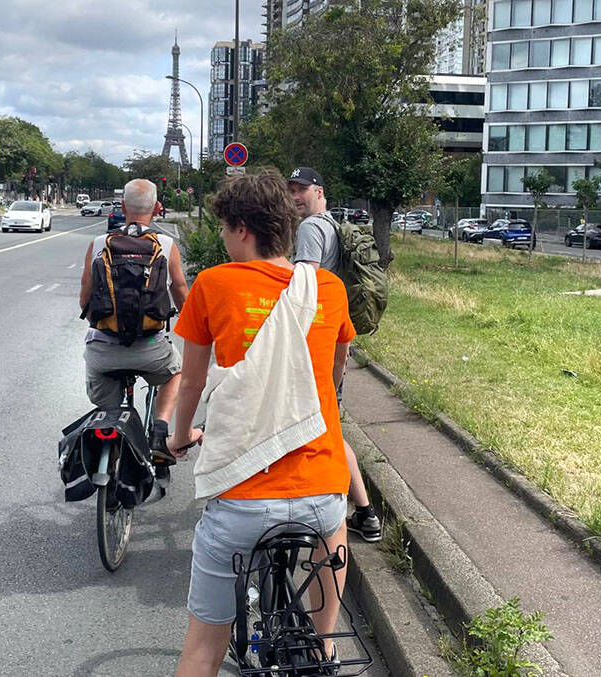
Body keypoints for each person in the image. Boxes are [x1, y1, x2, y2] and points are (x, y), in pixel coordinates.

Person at [168, 170, 354, 676]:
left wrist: (180, 437)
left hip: (244, 503)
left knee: (202, 650)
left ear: (242, 228)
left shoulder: (213, 284)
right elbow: (331, 379)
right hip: (320, 493)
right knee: (332, 528)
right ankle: (324, 648)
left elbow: (190, 383)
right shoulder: (329, 288)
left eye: (225, 229)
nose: (226, 239)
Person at [288, 166, 383, 543]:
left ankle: (348, 511)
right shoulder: (333, 223)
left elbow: (304, 283)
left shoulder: (311, 228)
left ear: (320, 191)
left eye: (302, 189)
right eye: (291, 189)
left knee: (325, 432)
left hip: (316, 341)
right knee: (331, 430)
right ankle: (366, 512)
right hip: (336, 335)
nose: (296, 195)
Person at [79, 178, 189, 465]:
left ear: (123, 206)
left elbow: (85, 301)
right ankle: (159, 429)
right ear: (156, 209)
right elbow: (179, 290)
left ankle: (110, 428)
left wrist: (104, 325)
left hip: (105, 351)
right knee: (175, 373)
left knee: (105, 401)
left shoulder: (99, 243)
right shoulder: (166, 244)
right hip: (150, 348)